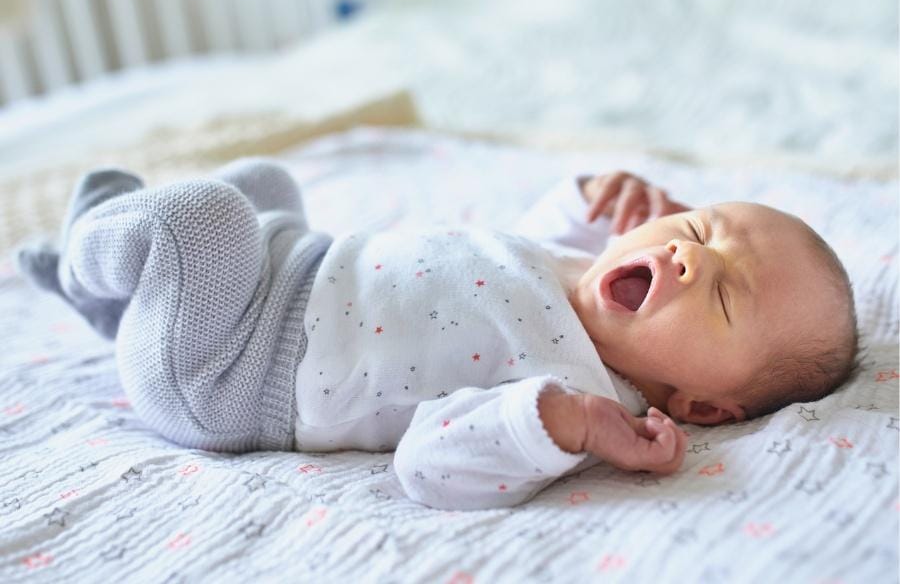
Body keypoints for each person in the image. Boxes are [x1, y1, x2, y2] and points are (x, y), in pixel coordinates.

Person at [14, 159, 859, 510]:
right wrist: (589, 197)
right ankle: (118, 303)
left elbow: (430, 465)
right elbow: (501, 253)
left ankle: (90, 258)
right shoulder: (576, 271)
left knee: (202, 219)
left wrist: (562, 425)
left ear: (702, 406)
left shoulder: (578, 389)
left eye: (721, 297)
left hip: (228, 369)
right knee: (265, 182)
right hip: (288, 269)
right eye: (701, 229)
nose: (684, 259)